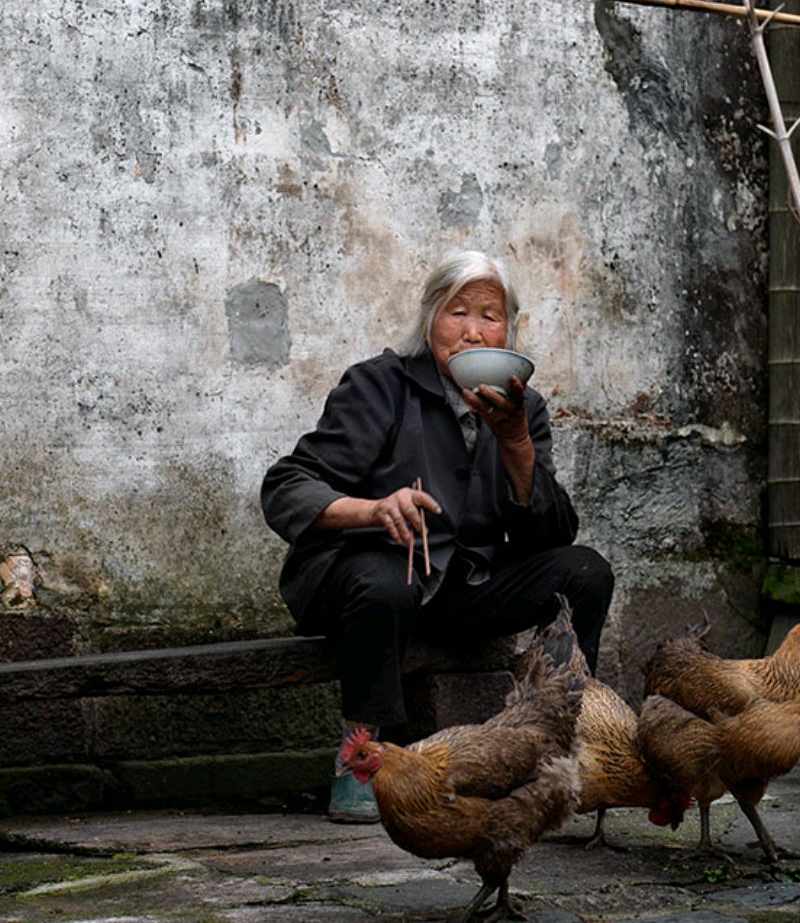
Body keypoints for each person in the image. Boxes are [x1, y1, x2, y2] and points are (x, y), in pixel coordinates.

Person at [260, 250, 613, 823]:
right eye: (457, 313)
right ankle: (361, 754)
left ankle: (558, 741)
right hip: (369, 584)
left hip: (463, 585)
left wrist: (516, 441)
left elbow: (550, 534)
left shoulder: (524, 408)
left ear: (509, 332)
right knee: (386, 581)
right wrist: (373, 510)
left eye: (490, 316)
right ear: (430, 321)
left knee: (584, 571)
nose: (473, 331)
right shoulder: (381, 385)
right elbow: (286, 486)